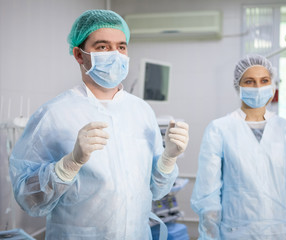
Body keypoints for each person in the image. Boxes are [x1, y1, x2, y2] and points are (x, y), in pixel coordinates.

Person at [9, 9, 189, 239]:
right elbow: (28, 198)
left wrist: (168, 158)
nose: (115, 54)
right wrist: (69, 164)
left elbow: (157, 190)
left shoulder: (141, 111)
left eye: (121, 47)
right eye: (102, 47)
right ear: (79, 54)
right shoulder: (54, 114)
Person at [191, 55, 286, 239]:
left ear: (272, 84)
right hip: (236, 233)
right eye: (249, 81)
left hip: (282, 233)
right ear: (239, 86)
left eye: (264, 81)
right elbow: (208, 193)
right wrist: (210, 235)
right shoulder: (219, 130)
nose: (258, 87)